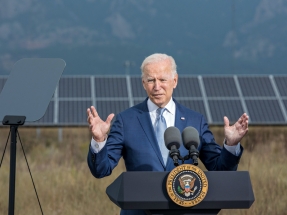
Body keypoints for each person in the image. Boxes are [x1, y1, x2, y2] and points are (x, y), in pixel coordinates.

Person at [87, 53, 249, 215]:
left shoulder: (195, 120)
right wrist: (99, 140)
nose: (157, 86)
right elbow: (101, 170)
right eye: (151, 80)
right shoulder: (126, 120)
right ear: (143, 83)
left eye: (163, 80)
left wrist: (231, 145)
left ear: (175, 81)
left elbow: (219, 170)